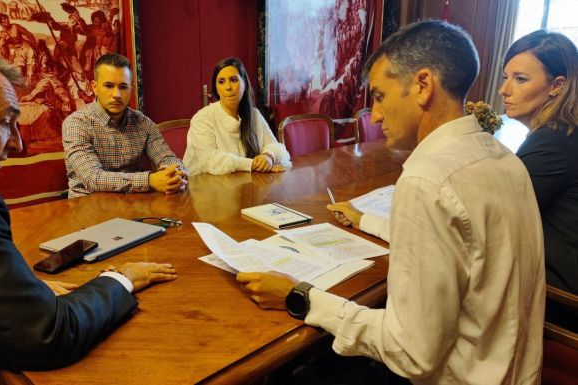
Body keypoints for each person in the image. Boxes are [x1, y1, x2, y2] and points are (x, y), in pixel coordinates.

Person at [237, 21, 545, 384]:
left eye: (380, 96)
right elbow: (468, 248)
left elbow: (411, 352)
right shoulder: (504, 158)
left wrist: (300, 296)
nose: (376, 114)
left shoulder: (426, 181)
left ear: (423, 85)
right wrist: (366, 220)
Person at [0, 43, 177, 385]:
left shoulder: (144, 122)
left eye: (124, 86)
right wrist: (123, 278)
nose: (18, 144)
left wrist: (173, 171)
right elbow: (48, 333)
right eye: (5, 122)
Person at [499, 30, 578, 295]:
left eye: (520, 79)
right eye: (505, 78)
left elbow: (496, 218)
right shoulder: (564, 131)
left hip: (559, 296)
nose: (504, 90)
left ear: (557, 85)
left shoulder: (553, 141)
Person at [62, 53, 187, 198]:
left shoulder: (143, 123)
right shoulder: (76, 124)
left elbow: (166, 157)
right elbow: (93, 178)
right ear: (94, 87)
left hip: (135, 204)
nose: (117, 94)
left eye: (123, 87)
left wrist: (177, 171)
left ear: (131, 88)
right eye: (109, 86)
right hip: (88, 208)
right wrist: (149, 180)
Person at [183, 57, 291, 176]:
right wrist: (253, 164)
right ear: (216, 89)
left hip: (245, 184)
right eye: (221, 82)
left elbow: (279, 148)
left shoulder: (254, 115)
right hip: (204, 188)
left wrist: (269, 156)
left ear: (244, 83)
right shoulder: (203, 117)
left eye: (233, 80)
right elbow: (209, 159)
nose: (228, 87)